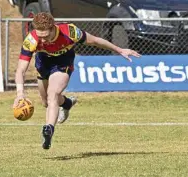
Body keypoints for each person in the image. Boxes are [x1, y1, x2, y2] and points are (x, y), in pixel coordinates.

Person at [13, 12, 141, 150]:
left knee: (53, 94)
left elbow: (95, 41)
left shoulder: (69, 31)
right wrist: (20, 93)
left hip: (63, 62)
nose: (42, 40)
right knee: (45, 102)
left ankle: (48, 129)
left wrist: (119, 49)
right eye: (40, 36)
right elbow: (20, 70)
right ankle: (67, 103)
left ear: (53, 28)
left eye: (46, 36)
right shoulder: (31, 39)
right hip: (43, 64)